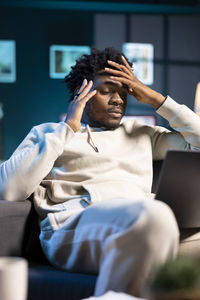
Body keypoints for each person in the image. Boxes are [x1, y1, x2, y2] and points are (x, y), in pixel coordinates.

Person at [1, 47, 200, 298]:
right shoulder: (49, 133)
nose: (117, 99)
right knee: (154, 216)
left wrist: (156, 99)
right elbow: (9, 189)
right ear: (80, 93)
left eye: (123, 92)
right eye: (106, 91)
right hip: (74, 225)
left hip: (144, 221)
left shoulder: (142, 133)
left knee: (163, 224)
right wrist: (67, 129)